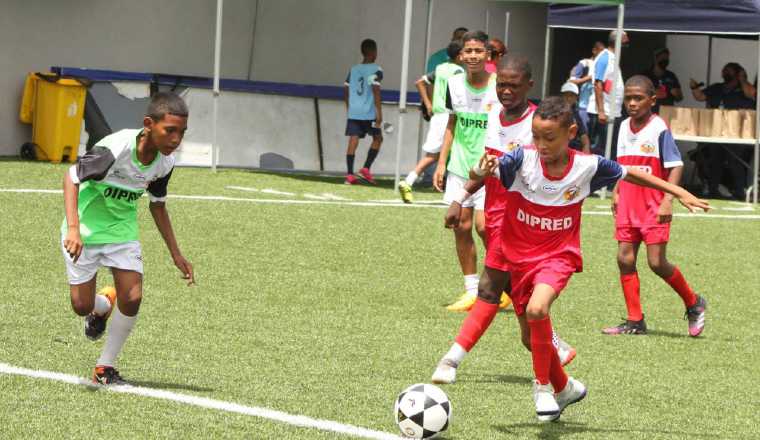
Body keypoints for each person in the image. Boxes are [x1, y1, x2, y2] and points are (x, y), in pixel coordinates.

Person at [473, 96, 709, 422]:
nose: (540, 144)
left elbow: (632, 172)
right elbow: (488, 171)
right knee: (532, 330)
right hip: (535, 250)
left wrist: (676, 193)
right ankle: (568, 385)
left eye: (549, 138)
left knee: (541, 308)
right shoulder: (526, 158)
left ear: (570, 132)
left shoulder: (595, 159)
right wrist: (478, 172)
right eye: (536, 136)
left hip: (571, 248)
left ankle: (544, 387)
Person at [431, 56, 576, 385]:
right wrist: (462, 196)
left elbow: (530, 169)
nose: (506, 90)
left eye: (513, 84)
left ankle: (451, 361)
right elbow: (487, 167)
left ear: (529, 85)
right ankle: (560, 370)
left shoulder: (537, 124)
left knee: (490, 287)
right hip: (495, 212)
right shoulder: (493, 116)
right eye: (502, 85)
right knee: (522, 316)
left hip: (520, 220)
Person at [61, 92, 195, 385]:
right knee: (81, 307)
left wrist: (176, 253)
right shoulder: (115, 148)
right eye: (169, 131)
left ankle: (104, 368)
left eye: (182, 133)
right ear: (149, 124)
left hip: (122, 231)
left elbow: (157, 204)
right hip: (86, 230)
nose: (176, 139)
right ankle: (101, 305)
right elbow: (71, 177)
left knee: (133, 297)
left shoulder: (165, 163)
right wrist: (73, 228)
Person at [603, 76, 708, 336]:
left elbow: (676, 165)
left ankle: (694, 303)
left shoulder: (659, 128)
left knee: (657, 262)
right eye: (628, 98)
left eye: (638, 98)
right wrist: (617, 191)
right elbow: (621, 165)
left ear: (652, 99)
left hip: (653, 206)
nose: (632, 103)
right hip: (628, 203)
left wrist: (667, 200)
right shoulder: (624, 125)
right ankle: (634, 320)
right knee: (624, 258)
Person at [432, 30, 497, 312]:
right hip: (459, 166)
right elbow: (451, 124)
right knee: (461, 226)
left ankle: (500, 285)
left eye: (478, 51)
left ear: (488, 55)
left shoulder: (499, 86)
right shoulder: (454, 84)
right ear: (461, 55)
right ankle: (472, 290)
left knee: (485, 227)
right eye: (468, 51)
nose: (472, 56)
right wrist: (441, 162)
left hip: (489, 168)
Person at [398, 40, 464, 203]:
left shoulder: (441, 68)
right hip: (449, 116)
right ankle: (410, 181)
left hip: (438, 115)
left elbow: (420, 82)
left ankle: (410, 181)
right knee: (445, 153)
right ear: (459, 55)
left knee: (435, 154)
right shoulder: (459, 71)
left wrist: (428, 104)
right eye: (465, 52)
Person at [690, 62, 756, 199]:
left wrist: (743, 79)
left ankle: (739, 192)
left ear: (737, 74)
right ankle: (713, 190)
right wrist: (694, 87)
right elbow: (700, 97)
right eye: (724, 70)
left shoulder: (743, 89)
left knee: (735, 162)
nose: (725, 72)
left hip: (736, 133)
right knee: (715, 161)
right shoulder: (717, 87)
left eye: (729, 71)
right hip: (715, 131)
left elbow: (752, 94)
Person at [344, 38, 384, 185]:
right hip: (369, 112)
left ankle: (349, 175)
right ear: (374, 52)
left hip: (354, 111)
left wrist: (349, 107)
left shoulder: (353, 69)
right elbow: (376, 89)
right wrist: (379, 113)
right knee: (378, 139)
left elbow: (346, 89)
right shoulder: (377, 69)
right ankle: (366, 168)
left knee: (353, 140)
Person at [587, 31, 628, 156]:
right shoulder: (605, 57)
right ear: (617, 43)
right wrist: (601, 111)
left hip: (612, 112)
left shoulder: (612, 58)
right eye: (625, 43)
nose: (626, 47)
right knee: (600, 150)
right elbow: (598, 84)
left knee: (609, 149)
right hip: (604, 114)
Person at [569, 41, 604, 130]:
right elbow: (571, 81)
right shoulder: (585, 63)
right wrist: (588, 78)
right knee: (583, 135)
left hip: (599, 110)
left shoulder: (605, 66)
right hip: (583, 108)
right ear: (594, 50)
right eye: (601, 52)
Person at [641, 47, 683, 114]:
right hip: (648, 114)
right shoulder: (645, 76)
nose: (665, 60)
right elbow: (637, 95)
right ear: (655, 58)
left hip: (667, 114)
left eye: (667, 58)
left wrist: (677, 94)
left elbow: (680, 98)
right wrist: (652, 94)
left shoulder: (671, 76)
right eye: (663, 57)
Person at [560, 82, 591, 153]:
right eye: (566, 95)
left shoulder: (576, 114)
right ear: (562, 96)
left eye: (571, 96)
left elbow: (584, 136)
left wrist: (586, 151)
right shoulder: (554, 111)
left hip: (572, 150)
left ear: (576, 98)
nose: (568, 98)